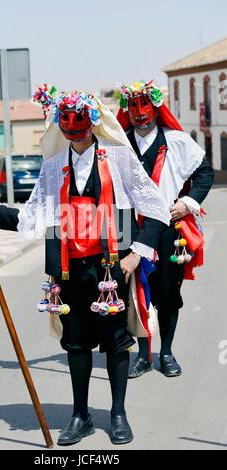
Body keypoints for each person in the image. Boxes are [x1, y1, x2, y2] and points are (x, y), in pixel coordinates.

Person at [0, 85, 171, 445]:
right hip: (67, 270)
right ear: (61, 129)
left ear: (93, 125)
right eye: (68, 129)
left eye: (81, 128)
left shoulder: (118, 159)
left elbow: (157, 208)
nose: (76, 135)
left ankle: (118, 413)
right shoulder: (54, 168)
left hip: (110, 268)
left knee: (117, 344)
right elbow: (33, 216)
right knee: (77, 344)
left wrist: (137, 253)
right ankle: (80, 415)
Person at [117, 80, 214, 379]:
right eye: (133, 107)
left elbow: (204, 173)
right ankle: (144, 354)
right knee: (137, 293)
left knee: (168, 293)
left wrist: (187, 203)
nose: (139, 113)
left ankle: (167, 351)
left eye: (145, 106)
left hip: (170, 229)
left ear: (156, 108)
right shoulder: (118, 145)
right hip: (131, 229)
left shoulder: (177, 141)